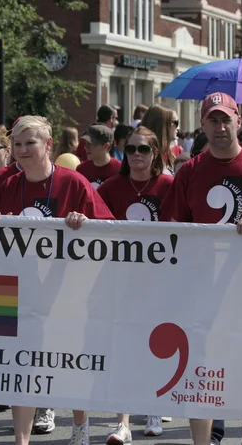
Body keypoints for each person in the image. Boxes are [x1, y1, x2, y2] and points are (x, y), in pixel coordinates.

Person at [161, 92, 242, 445]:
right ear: (202, 125)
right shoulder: (191, 171)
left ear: (238, 121)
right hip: (200, 284)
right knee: (199, 362)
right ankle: (204, 440)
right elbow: (175, 229)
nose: (219, 126)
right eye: (212, 120)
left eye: (225, 119)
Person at [0, 115, 114, 445]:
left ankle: (80, 425)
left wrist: (85, 222)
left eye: (31, 143)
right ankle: (21, 440)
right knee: (21, 367)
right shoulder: (5, 184)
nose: (23, 150)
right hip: (22, 291)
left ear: (49, 145)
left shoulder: (73, 182)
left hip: (68, 290)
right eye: (17, 144)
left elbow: (111, 229)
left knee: (70, 362)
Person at [96, 127, 173, 443]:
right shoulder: (111, 186)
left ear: (155, 153)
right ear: (123, 153)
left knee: (157, 344)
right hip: (121, 278)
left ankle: (154, 407)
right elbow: (94, 226)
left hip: (162, 278)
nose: (137, 155)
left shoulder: (170, 185)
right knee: (124, 347)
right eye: (131, 149)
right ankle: (122, 422)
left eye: (144, 149)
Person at [76, 124, 121, 189]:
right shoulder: (81, 170)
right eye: (86, 143)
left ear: (106, 146)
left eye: (91, 144)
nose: (86, 147)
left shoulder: (120, 170)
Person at [140, 104, 178, 174]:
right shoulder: (143, 154)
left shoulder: (171, 152)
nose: (177, 127)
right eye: (175, 122)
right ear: (162, 124)